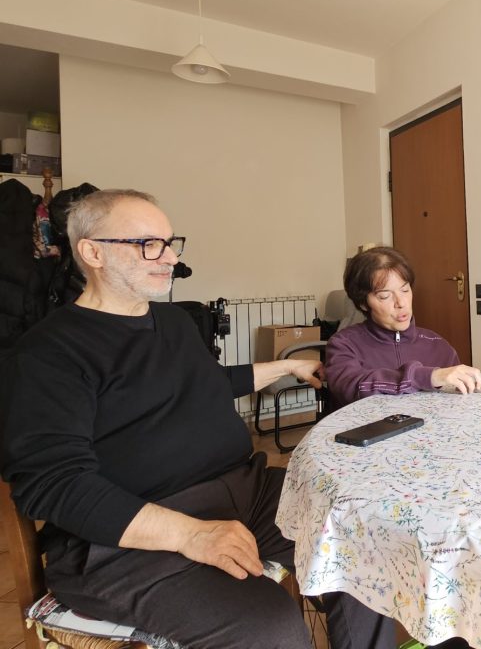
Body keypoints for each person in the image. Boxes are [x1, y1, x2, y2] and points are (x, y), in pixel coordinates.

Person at [0, 189, 394, 649]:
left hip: (243, 493)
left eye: (170, 243)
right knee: (269, 624)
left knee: (364, 536)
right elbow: (53, 483)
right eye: (148, 245)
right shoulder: (49, 352)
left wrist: (286, 366)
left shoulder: (174, 323)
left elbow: (209, 382)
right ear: (92, 252)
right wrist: (190, 534)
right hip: (126, 539)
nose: (170, 257)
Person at [325, 246, 481, 408]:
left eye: (405, 290)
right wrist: (427, 377)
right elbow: (351, 386)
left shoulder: (437, 345)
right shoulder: (343, 344)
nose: (401, 303)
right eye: (385, 296)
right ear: (362, 303)